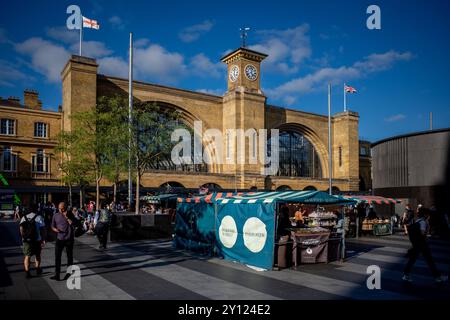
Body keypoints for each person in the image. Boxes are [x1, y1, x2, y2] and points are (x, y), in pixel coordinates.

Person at [402, 207, 448, 283]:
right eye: (428, 214)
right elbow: (422, 233)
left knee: (412, 260)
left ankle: (405, 275)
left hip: (417, 244)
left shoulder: (418, 220)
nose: (429, 216)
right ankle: (438, 277)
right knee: (430, 260)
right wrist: (427, 230)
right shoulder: (423, 222)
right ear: (425, 214)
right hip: (422, 244)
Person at [51, 202, 76, 281]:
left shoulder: (70, 215)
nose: (61, 210)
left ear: (66, 208)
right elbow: (52, 225)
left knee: (69, 257)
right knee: (57, 257)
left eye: (62, 208)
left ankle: (69, 273)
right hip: (60, 238)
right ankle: (57, 275)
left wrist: (66, 216)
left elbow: (73, 223)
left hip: (69, 239)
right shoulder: (55, 215)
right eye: (59, 208)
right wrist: (55, 229)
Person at [19, 205, 46, 278]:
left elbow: (21, 229)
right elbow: (43, 230)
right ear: (35, 209)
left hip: (27, 241)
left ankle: (27, 272)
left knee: (27, 256)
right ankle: (37, 269)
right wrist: (43, 239)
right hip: (37, 240)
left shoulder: (23, 218)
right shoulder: (39, 217)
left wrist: (23, 237)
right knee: (37, 255)